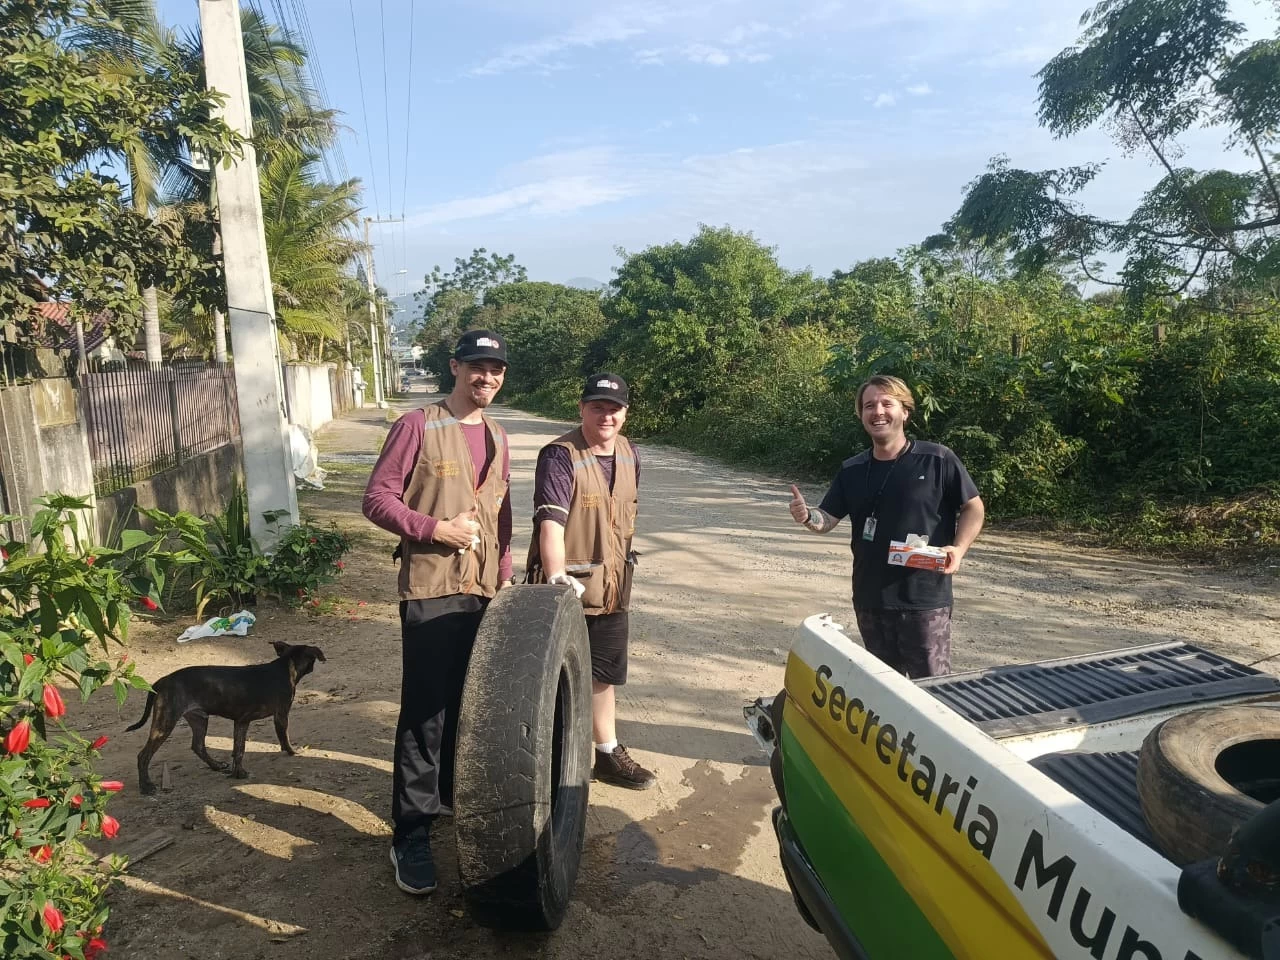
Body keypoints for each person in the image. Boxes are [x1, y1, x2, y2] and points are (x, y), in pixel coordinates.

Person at [361, 328, 514, 895]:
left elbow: (500, 513)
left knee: (468, 705)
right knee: (425, 711)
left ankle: (448, 799)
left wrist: (504, 574)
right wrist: (434, 529)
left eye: (496, 369)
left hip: (483, 592)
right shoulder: (417, 425)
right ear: (455, 367)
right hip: (430, 588)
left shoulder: (497, 434)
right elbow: (377, 498)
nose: (487, 377)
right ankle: (411, 833)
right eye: (477, 366)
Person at [788, 374, 984, 678]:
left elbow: (973, 506)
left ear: (905, 411)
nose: (877, 411)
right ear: (861, 415)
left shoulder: (937, 460)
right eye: (868, 406)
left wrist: (959, 549)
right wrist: (806, 516)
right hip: (870, 599)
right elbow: (826, 520)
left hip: (923, 601)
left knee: (933, 691)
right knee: (884, 690)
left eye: (886, 403)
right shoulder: (852, 469)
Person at [526, 373, 655, 790]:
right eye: (597, 407)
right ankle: (547, 762)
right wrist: (556, 577)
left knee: (604, 674)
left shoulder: (630, 454)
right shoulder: (560, 456)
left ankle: (606, 753)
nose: (606, 415)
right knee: (553, 678)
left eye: (614, 408)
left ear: (625, 414)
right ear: (581, 409)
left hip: (614, 587)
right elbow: (551, 523)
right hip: (568, 589)